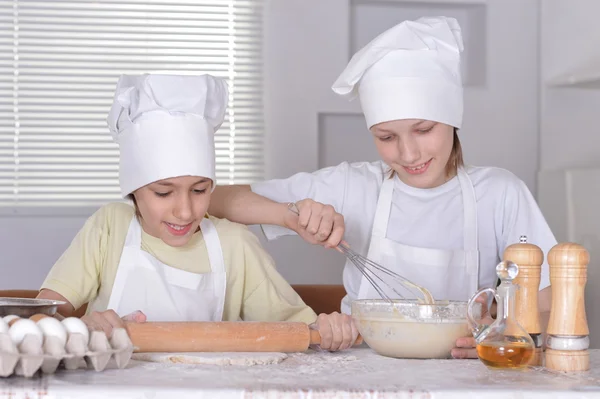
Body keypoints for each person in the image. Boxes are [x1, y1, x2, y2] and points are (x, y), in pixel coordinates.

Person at [207, 16, 557, 358]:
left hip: (464, 375)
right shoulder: (353, 185)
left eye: (423, 130)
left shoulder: (500, 193)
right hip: (365, 366)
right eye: (387, 137)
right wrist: (288, 216)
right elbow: (216, 200)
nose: (408, 154)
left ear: (453, 118)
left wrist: (498, 330)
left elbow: (545, 304)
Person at [36, 73, 358, 352]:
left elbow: (305, 333)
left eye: (200, 190)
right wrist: (81, 327)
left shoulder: (235, 246)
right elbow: (38, 318)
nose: (185, 211)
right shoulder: (110, 229)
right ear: (133, 190)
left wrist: (329, 330)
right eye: (163, 192)